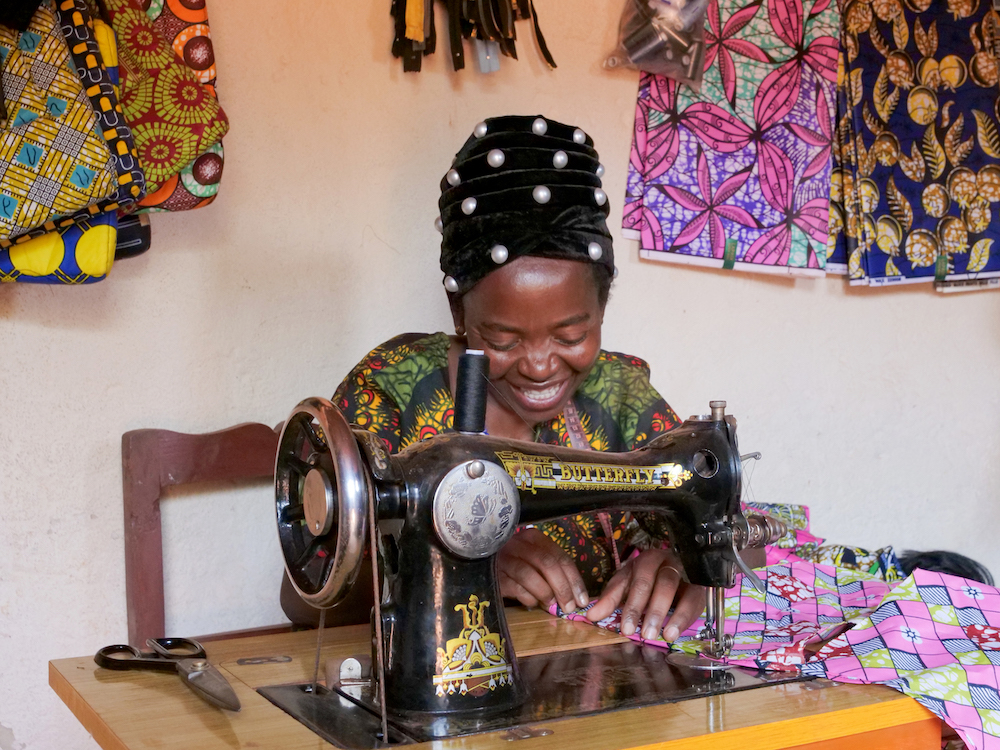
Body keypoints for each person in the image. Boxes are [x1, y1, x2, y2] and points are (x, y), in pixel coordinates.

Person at [281, 115, 707, 642]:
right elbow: (303, 594)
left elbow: (729, 521)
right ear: (458, 311)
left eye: (572, 336)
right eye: (504, 340)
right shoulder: (389, 393)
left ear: (602, 309)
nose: (539, 364)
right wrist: (456, 563)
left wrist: (684, 566)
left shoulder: (618, 394)